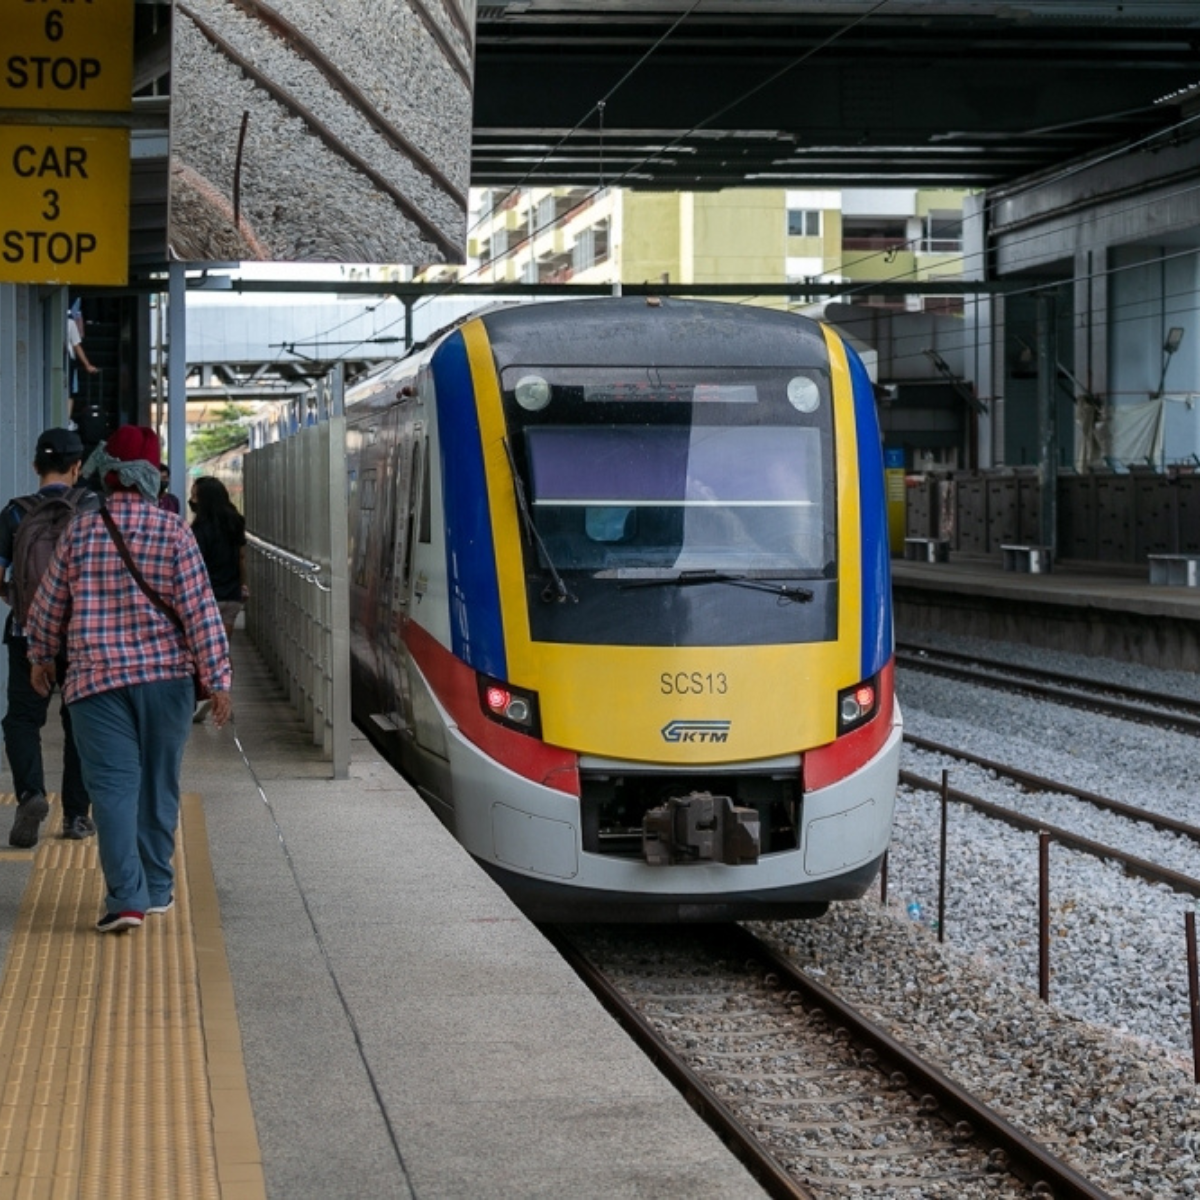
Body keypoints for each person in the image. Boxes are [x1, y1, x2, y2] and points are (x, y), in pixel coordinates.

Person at [24, 426, 232, 933]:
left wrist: (40, 654)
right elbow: (201, 611)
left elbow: (50, 604)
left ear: (106, 472)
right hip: (166, 684)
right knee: (159, 785)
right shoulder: (175, 531)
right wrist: (218, 677)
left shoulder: (81, 530)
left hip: (96, 685)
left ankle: (126, 900)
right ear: (153, 478)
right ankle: (158, 888)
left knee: (114, 791)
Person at [0, 428, 99, 845]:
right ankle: (76, 816)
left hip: (27, 632)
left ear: (35, 466)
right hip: (81, 635)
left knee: (22, 718)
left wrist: (21, 603)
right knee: (80, 721)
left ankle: (31, 793)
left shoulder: (14, 513)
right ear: (77, 466)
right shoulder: (93, 509)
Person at [189, 476, 248, 639]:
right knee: (223, 649)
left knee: (209, 652)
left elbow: (196, 565)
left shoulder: (199, 529)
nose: (191, 500)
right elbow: (241, 557)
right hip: (232, 596)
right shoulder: (236, 522)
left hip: (207, 597)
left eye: (195, 496)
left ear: (204, 500)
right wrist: (242, 585)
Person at [65, 299, 98, 431]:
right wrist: (87, 365)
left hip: (52, 358)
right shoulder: (70, 323)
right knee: (70, 392)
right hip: (68, 359)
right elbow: (76, 345)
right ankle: (66, 421)